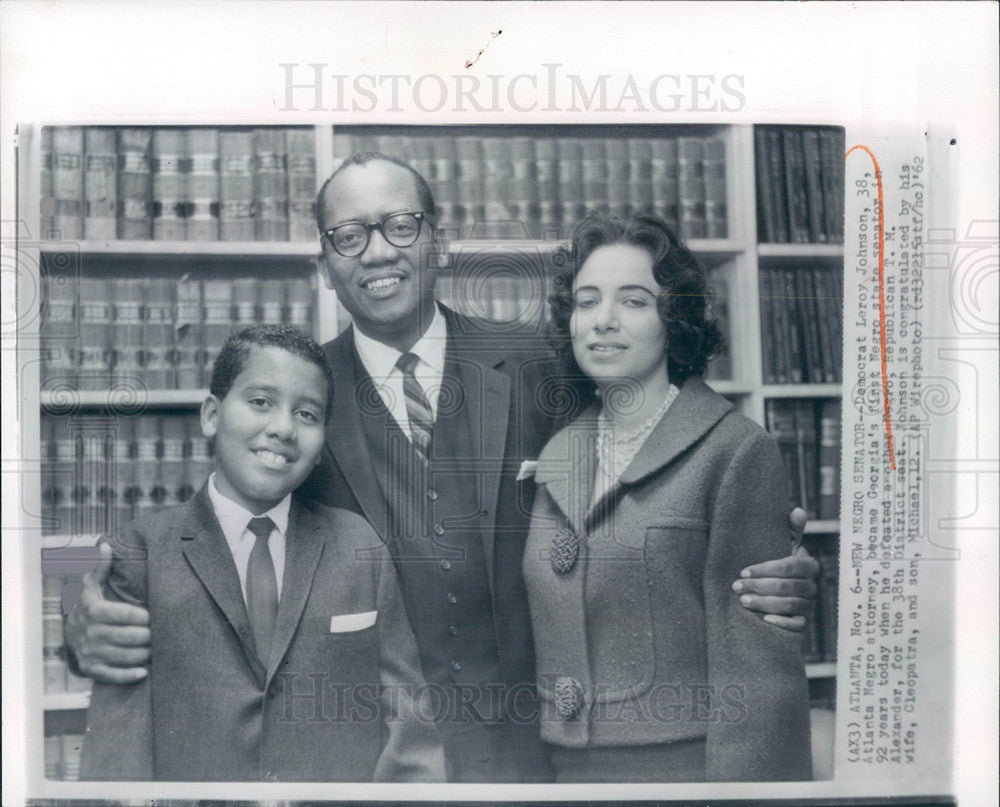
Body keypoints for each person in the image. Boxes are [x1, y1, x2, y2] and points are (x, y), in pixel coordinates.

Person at [65, 151, 819, 782]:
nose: (379, 251)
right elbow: (215, 542)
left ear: (440, 241)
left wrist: (773, 548)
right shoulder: (299, 400)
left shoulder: (540, 365)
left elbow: (663, 440)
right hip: (373, 761)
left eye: (401, 224)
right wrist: (87, 618)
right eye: (349, 235)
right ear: (325, 264)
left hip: (544, 754)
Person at [79, 325, 444, 782]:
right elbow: (117, 755)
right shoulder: (141, 552)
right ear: (212, 415)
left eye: (307, 414)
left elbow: (410, 736)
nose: (283, 428)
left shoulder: (360, 548)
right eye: (260, 402)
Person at [523, 211, 812, 782]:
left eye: (632, 301)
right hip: (561, 774)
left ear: (672, 320)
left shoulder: (735, 451)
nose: (602, 321)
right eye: (586, 301)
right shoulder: (557, 450)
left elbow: (760, 681)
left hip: (684, 777)